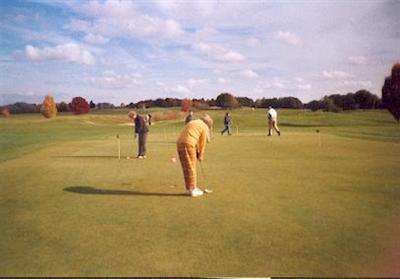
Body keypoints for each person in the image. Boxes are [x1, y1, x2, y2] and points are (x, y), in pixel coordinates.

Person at [176, 114, 213, 197]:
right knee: (192, 166)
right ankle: (193, 189)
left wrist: (197, 151)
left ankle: (189, 189)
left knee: (186, 167)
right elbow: (202, 143)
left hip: (179, 143)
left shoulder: (194, 122)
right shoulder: (204, 126)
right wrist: (201, 155)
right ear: (208, 123)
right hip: (188, 143)